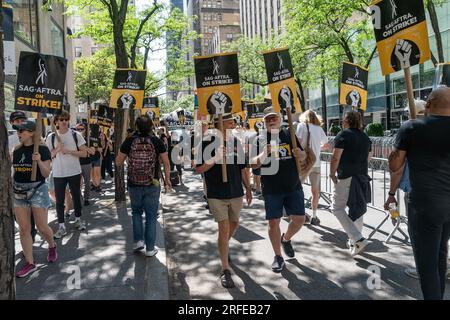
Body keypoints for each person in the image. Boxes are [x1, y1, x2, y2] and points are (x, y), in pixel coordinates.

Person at [387, 87, 450, 300]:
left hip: (424, 204)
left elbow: (395, 165)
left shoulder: (411, 127)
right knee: (441, 254)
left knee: (427, 265)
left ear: (429, 104)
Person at [195, 113, 252, 288]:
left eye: (233, 122)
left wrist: (248, 188)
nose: (233, 125)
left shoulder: (236, 141)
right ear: (219, 123)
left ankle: (223, 246)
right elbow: (198, 169)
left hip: (236, 191)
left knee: (235, 224)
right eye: (229, 122)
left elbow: (243, 168)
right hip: (216, 193)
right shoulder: (206, 141)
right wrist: (215, 158)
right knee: (224, 226)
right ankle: (225, 269)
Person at [251, 107, 306, 273]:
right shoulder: (258, 139)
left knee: (299, 219)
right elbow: (252, 163)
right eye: (268, 119)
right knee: (273, 222)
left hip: (293, 185)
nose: (271, 121)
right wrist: (262, 155)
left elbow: (303, 156)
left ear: (280, 119)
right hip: (272, 188)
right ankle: (278, 257)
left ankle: (286, 239)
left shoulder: (289, 134)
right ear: (264, 122)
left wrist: (300, 154)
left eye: (274, 118)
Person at [116, 115, 172, 257]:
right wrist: (168, 181)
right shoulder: (156, 141)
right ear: (151, 127)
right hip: (152, 183)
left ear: (136, 127)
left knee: (136, 212)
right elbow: (166, 163)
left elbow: (117, 162)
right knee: (151, 216)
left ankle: (138, 241)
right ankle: (150, 249)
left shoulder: (129, 141)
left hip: (134, 183)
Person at [12, 120, 57, 277]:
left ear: (31, 132)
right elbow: (15, 172)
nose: (18, 134)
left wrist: (38, 161)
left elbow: (46, 174)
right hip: (19, 192)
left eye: (21, 131)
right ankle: (30, 263)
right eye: (17, 131)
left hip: (38, 189)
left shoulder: (42, 149)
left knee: (42, 227)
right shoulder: (16, 150)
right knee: (24, 229)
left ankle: (52, 245)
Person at [329, 111, 372, 257]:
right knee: (357, 207)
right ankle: (355, 241)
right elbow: (369, 158)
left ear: (346, 120)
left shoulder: (343, 135)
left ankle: (357, 238)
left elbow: (335, 158)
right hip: (361, 176)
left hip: (346, 176)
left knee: (336, 208)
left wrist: (331, 173)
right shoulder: (365, 137)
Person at [47, 111, 88, 238]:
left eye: (66, 119)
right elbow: (48, 156)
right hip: (59, 173)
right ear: (57, 122)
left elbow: (84, 153)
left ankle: (78, 219)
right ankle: (61, 226)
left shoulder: (76, 135)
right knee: (59, 201)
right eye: (61, 119)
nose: (64, 122)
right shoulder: (51, 137)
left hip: (74, 172)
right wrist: (57, 149)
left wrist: (69, 151)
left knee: (76, 197)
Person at [296, 110, 330, 225]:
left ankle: (301, 214)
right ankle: (314, 216)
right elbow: (326, 145)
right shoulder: (319, 128)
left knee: (297, 189)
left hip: (304, 163)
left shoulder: (301, 126)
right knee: (315, 192)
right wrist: (317, 148)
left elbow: (298, 142)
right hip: (316, 163)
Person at [8, 111, 37, 241]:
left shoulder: (33, 137)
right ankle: (25, 233)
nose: (20, 123)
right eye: (17, 120)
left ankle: (31, 234)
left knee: (30, 211)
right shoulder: (8, 140)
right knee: (18, 212)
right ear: (12, 123)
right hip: (13, 180)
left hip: (29, 180)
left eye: (22, 120)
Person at [75, 123, 95, 205]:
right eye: (78, 129)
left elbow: (93, 151)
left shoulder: (89, 139)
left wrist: (88, 150)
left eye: (81, 129)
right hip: (76, 163)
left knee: (87, 182)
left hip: (86, 163)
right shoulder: (74, 139)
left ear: (85, 129)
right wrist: (85, 151)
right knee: (78, 183)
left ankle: (86, 198)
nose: (80, 131)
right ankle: (79, 198)